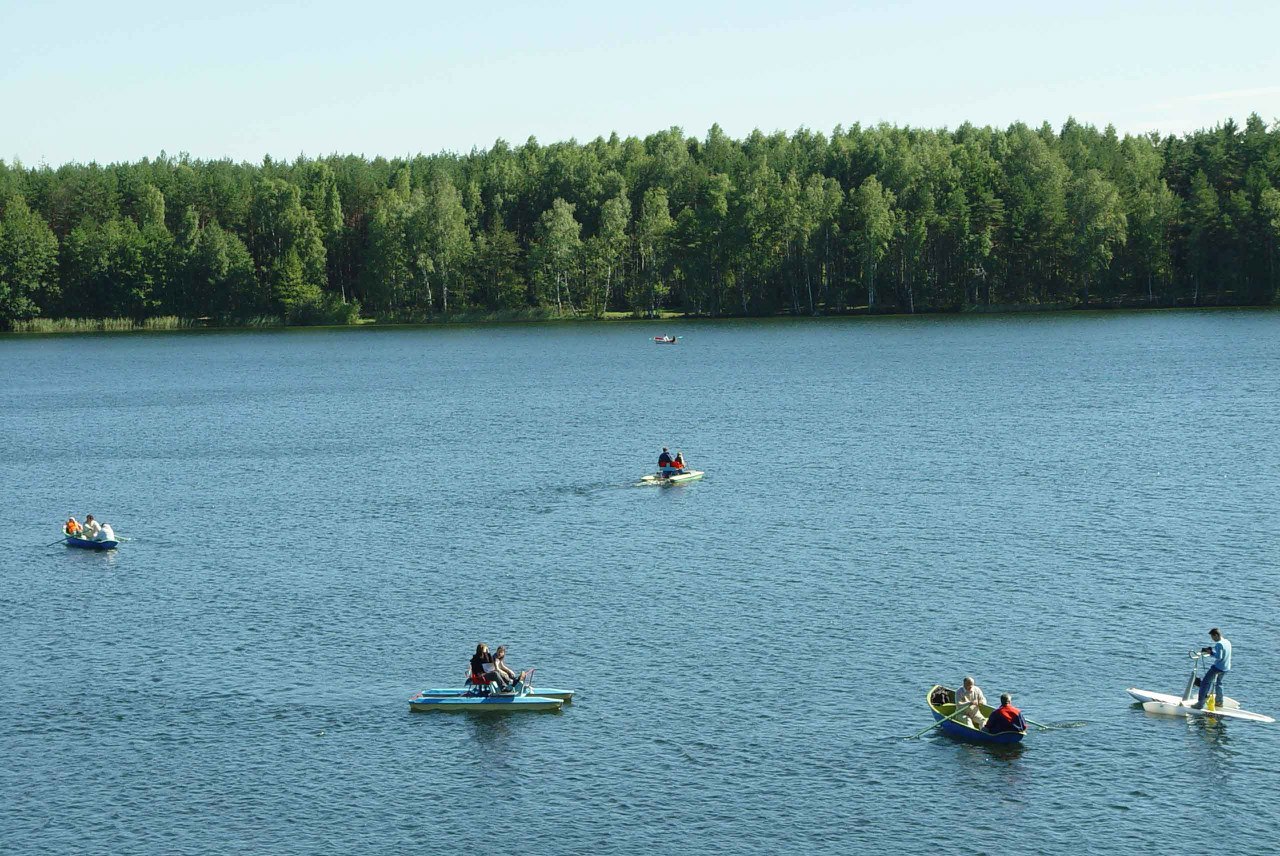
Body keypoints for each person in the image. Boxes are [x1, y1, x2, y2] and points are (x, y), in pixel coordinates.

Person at [1192, 628, 1232, 710]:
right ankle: (1219, 702)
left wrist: (1210, 652)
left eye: (1212, 637)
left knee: (1205, 683)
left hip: (1218, 667)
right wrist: (1212, 652)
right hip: (1226, 667)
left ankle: (1200, 703)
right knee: (1219, 684)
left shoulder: (1219, 644)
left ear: (1216, 635)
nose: (1212, 639)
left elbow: (1219, 657)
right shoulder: (1227, 642)